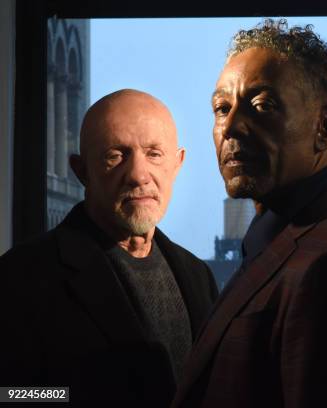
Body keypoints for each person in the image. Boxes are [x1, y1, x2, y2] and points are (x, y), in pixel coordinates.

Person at [173, 19, 327, 408]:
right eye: (221, 108)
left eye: (261, 105)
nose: (231, 126)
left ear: (325, 126)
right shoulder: (281, 246)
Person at [0, 89, 218, 407]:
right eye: (116, 155)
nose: (138, 175)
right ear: (81, 171)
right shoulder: (21, 276)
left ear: (177, 163)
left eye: (154, 153)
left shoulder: (198, 276)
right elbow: (9, 395)